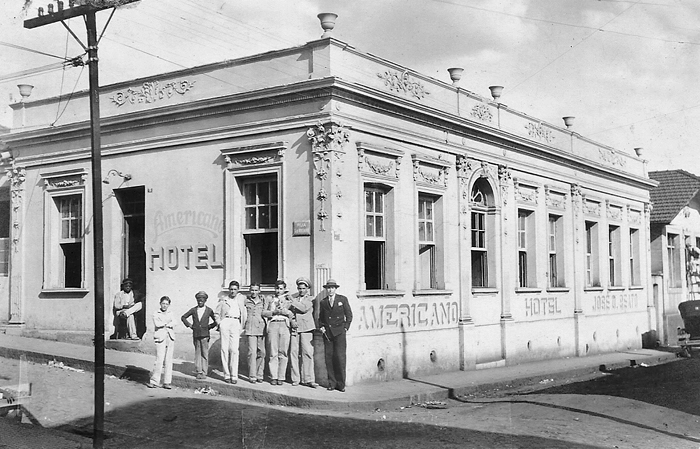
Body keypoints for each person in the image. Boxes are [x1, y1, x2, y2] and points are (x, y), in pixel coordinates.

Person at [318, 279, 352, 392]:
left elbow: (349, 315)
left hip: (339, 333)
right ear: (326, 289)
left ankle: (341, 384)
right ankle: (331, 383)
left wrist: (345, 327)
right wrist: (322, 327)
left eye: (332, 288)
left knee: (340, 358)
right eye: (328, 288)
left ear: (335, 289)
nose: (330, 290)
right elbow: (321, 318)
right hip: (328, 334)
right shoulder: (323, 302)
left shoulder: (342, 299)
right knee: (329, 358)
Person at [214, 281, 247, 384]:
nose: (233, 291)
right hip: (226, 321)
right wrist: (220, 323)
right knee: (224, 349)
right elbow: (216, 313)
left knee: (234, 350)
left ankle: (234, 375)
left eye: (235, 289)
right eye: (231, 289)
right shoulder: (224, 300)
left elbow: (244, 311)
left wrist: (242, 325)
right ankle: (226, 374)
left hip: (236, 322)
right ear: (229, 289)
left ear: (238, 290)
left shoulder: (241, 299)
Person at [262, 279, 293, 386]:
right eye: (277, 288)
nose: (278, 291)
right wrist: (273, 312)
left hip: (284, 325)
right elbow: (263, 312)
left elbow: (292, 314)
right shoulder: (270, 299)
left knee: (283, 352)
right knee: (273, 351)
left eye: (281, 289)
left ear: (284, 289)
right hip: (273, 324)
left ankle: (281, 377)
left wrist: (285, 310)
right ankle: (274, 376)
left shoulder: (288, 300)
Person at [181, 291, 217, 380]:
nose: (200, 301)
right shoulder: (193, 310)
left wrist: (209, 327)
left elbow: (216, 320)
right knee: (197, 353)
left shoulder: (209, 310)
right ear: (196, 300)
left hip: (205, 335)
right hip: (196, 334)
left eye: (202, 300)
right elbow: (183, 317)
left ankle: (204, 372)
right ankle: (199, 371)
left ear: (205, 300)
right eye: (198, 300)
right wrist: (190, 325)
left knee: (204, 353)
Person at [289, 277, 317, 388]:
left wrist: (292, 300)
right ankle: (295, 378)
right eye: (299, 288)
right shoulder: (294, 299)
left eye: (303, 288)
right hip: (295, 328)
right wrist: (292, 321)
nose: (301, 290)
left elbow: (304, 309)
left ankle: (309, 379)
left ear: (307, 289)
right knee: (294, 353)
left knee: (307, 353)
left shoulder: (310, 299)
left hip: (306, 328)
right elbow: (289, 312)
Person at [148, 296, 175, 389]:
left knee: (169, 360)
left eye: (167, 304)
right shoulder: (156, 313)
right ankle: (154, 381)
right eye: (163, 303)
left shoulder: (171, 313)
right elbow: (157, 324)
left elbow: (174, 322)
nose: (165, 306)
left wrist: (165, 323)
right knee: (159, 359)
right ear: (160, 303)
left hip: (170, 337)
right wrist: (167, 323)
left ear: (169, 305)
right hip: (160, 337)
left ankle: (167, 382)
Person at [244, 283, 267, 384]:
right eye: (252, 290)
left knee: (262, 352)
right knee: (252, 352)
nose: (254, 292)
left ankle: (259, 374)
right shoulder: (246, 301)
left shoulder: (263, 301)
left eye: (256, 290)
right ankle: (252, 375)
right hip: (250, 329)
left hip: (261, 329)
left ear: (259, 291)